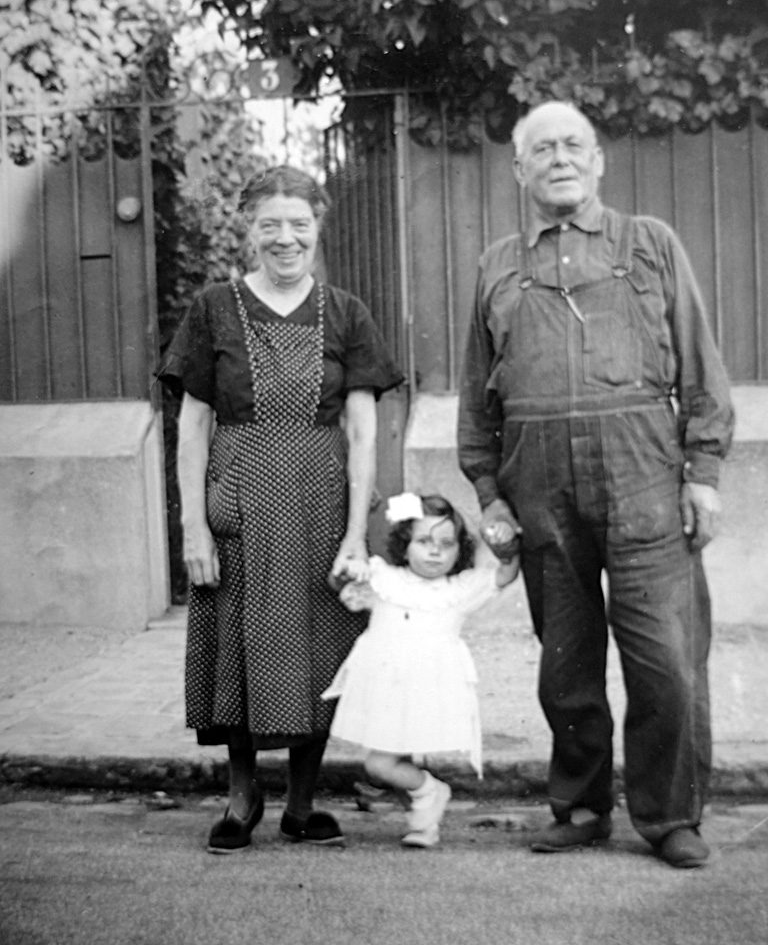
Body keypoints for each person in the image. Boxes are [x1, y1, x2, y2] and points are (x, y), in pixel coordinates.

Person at [457, 101, 734, 868]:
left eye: (573, 144)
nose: (560, 159)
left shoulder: (651, 245)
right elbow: (479, 396)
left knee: (667, 664)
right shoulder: (497, 265)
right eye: (541, 149)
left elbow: (703, 370)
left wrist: (703, 475)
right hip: (540, 488)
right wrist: (489, 494)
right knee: (567, 665)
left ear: (600, 158)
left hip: (644, 475)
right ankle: (580, 807)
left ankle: (670, 815)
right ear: (519, 170)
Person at [158, 164, 403, 853]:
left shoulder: (348, 313)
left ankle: (302, 802)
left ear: (318, 229)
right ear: (249, 230)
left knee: (320, 647)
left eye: (300, 224)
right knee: (237, 644)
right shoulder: (213, 309)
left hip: (321, 505)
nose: (286, 239)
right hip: (238, 499)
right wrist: (192, 527)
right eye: (271, 225)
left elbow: (361, 432)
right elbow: (193, 428)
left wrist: (356, 533)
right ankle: (242, 798)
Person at [321, 492, 518, 848]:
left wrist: (504, 543)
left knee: (381, 765)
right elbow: (341, 585)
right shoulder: (385, 578)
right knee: (383, 761)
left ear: (460, 550)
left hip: (427, 688)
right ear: (404, 543)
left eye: (446, 544)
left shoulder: (458, 589)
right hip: (386, 686)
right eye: (424, 541)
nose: (434, 552)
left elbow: (503, 574)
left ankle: (428, 795)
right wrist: (354, 567)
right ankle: (425, 812)